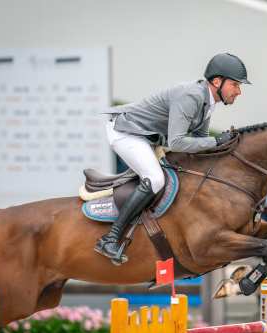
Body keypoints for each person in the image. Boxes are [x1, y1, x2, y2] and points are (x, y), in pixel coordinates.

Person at [95, 53, 251, 264]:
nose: (239, 91)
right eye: (235, 84)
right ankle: (110, 239)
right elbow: (178, 142)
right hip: (126, 132)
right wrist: (216, 142)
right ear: (217, 81)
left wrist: (223, 147)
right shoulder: (191, 96)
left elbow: (199, 140)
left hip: (146, 137)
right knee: (155, 179)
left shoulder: (208, 102)